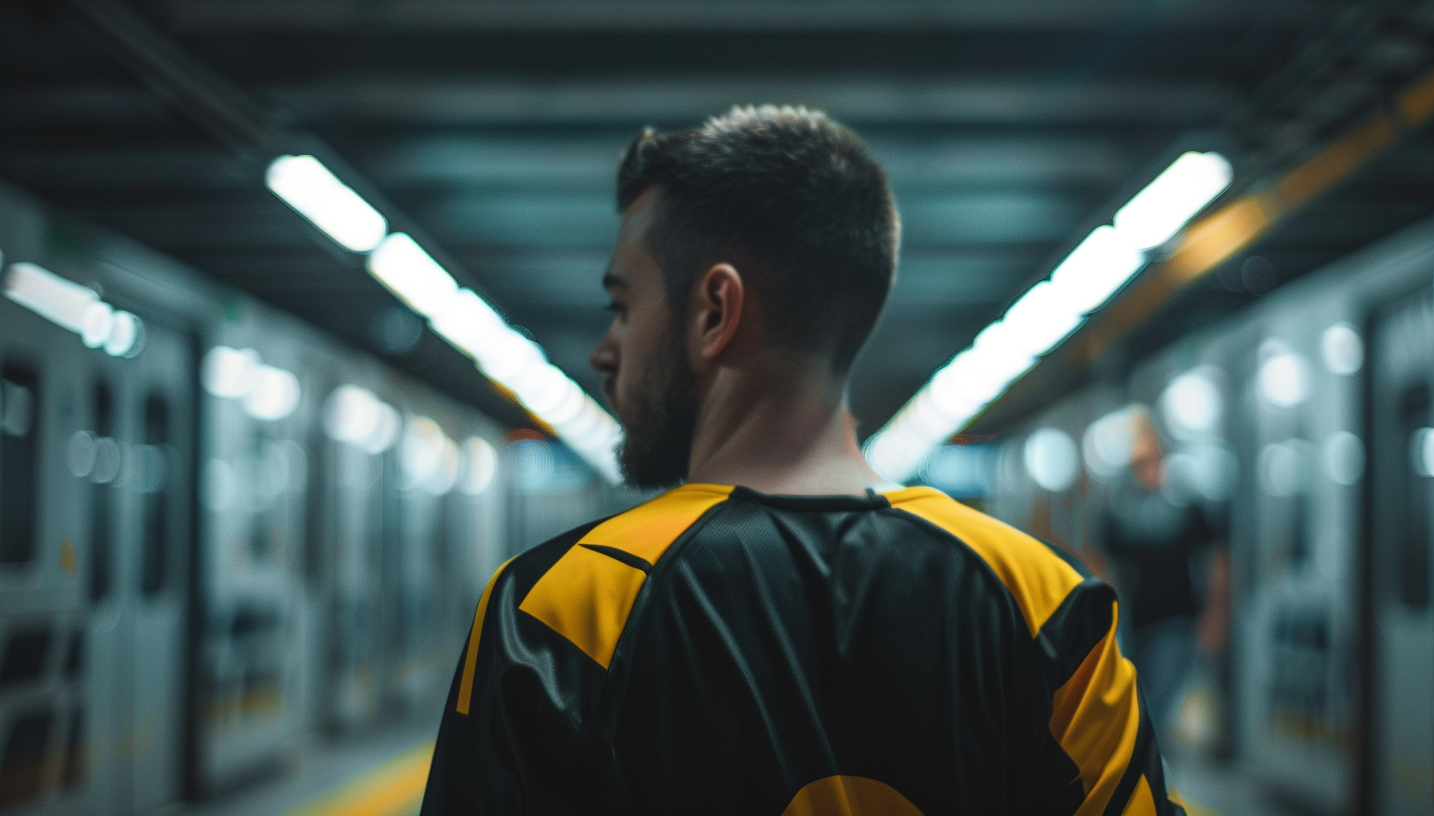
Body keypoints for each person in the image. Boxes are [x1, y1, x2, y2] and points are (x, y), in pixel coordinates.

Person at [421, 106, 1186, 815]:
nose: (604, 350)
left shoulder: (560, 609)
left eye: (623, 307)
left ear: (715, 311)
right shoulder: (1045, 601)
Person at [1100, 407, 1228, 745]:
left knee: (1155, 708)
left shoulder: (1186, 505)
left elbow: (1216, 559)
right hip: (1137, 623)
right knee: (1146, 704)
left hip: (1178, 620)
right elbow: (1106, 564)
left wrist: (1215, 613)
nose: (1147, 468)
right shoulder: (1122, 511)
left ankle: (1152, 778)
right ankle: (1154, 779)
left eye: (1152, 459)